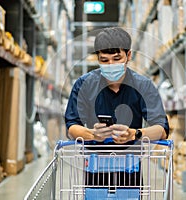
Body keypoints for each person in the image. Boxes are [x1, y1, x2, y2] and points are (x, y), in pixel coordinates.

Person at [64, 27, 169, 187]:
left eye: (117, 58)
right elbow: (72, 126)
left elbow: (161, 130)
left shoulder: (144, 86)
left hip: (131, 167)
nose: (111, 65)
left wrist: (134, 134)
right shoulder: (84, 85)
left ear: (128, 55)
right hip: (95, 166)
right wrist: (92, 135)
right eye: (104, 60)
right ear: (98, 58)